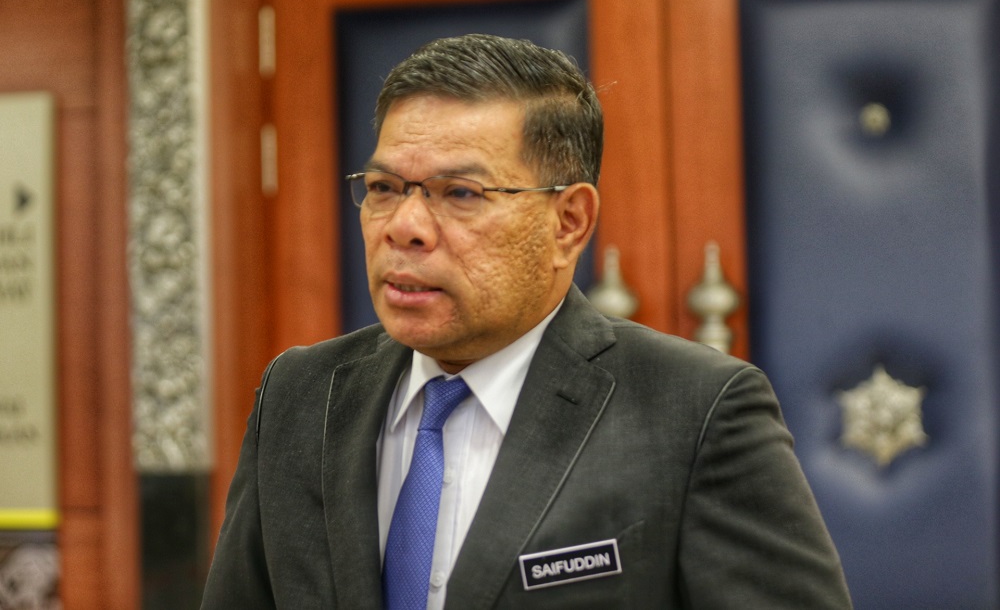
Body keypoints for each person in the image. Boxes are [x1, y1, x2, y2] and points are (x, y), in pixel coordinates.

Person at [201, 33, 851, 609]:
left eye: (460, 194)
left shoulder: (695, 413)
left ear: (568, 223)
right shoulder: (299, 395)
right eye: (383, 188)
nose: (404, 227)